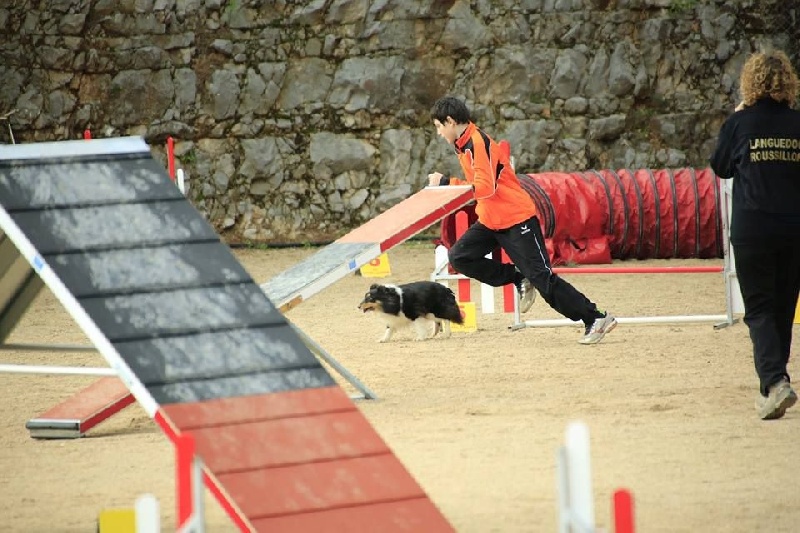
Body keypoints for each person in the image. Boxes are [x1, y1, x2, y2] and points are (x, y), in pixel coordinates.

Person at [427, 96, 616, 344]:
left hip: (517, 219)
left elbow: (485, 188)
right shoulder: (463, 144)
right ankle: (518, 276)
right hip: (491, 220)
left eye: (439, 127)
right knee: (460, 257)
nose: (439, 134)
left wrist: (445, 183)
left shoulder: (476, 142)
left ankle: (596, 318)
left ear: (450, 121)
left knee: (544, 281)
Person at [709, 50, 800, 420]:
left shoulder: (740, 123)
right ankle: (777, 377)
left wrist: (736, 121)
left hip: (753, 229)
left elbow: (721, 168)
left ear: (751, 82)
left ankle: (775, 382)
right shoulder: (797, 124)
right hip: (793, 228)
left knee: (759, 308)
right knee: (782, 307)